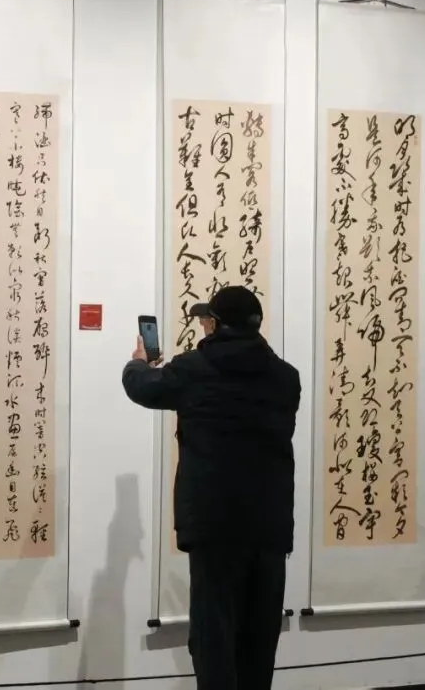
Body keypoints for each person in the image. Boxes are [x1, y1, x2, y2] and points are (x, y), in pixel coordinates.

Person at [121, 285, 300, 690]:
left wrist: (138, 363)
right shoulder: (286, 378)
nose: (202, 325)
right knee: (259, 640)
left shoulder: (194, 370)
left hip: (214, 528)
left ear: (216, 325)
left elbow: (143, 388)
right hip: (269, 528)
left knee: (213, 636)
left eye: (205, 319)